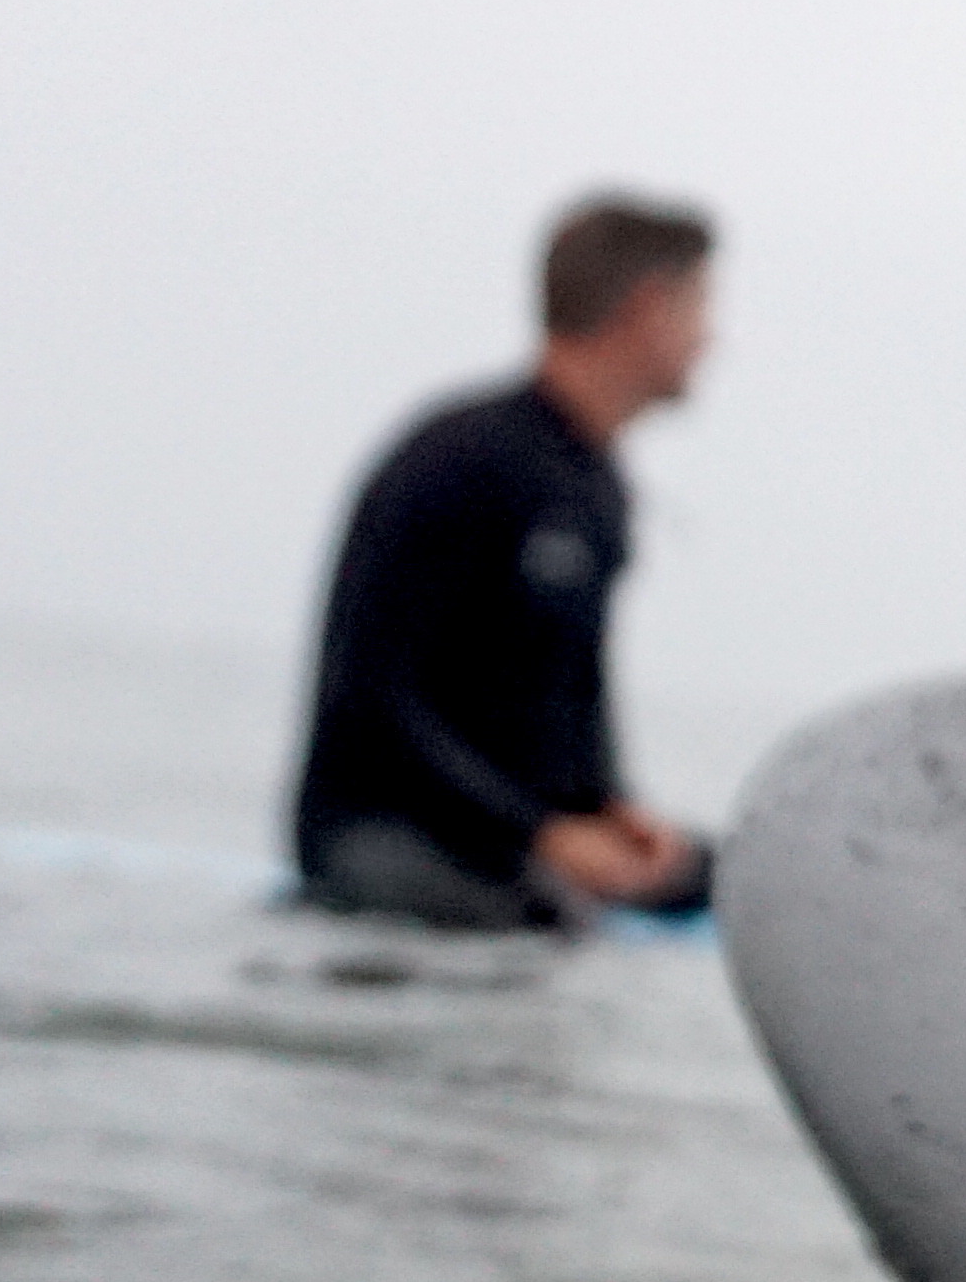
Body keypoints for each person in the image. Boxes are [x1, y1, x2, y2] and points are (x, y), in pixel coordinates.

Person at [289, 195, 722, 929]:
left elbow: (576, 697)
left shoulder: (597, 487)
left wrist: (612, 811)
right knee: (536, 922)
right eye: (700, 310)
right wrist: (542, 833)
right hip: (388, 833)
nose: (710, 340)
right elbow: (372, 699)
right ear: (648, 309)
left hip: (528, 839)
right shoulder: (460, 461)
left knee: (726, 874)